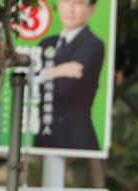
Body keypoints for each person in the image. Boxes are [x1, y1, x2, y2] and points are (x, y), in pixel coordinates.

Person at [33, 0, 104, 150]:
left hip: (76, 139)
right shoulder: (46, 43)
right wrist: (61, 70)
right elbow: (28, 83)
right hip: (43, 135)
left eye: (78, 3)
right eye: (65, 1)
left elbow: (63, 87)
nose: (70, 9)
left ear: (91, 9)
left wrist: (40, 74)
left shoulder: (93, 44)